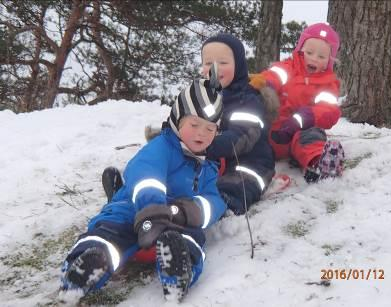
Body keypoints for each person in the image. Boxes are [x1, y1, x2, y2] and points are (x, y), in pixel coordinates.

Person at [60, 72, 226, 302]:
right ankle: (85, 268)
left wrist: (191, 212)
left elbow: (214, 199)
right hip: (134, 206)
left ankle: (178, 271)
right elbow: (145, 172)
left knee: (190, 238)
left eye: (210, 129)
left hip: (174, 219)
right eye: (194, 124)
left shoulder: (207, 168)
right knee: (110, 230)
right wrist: (153, 205)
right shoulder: (162, 147)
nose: (201, 133)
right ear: (178, 120)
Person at [250, 22, 345, 182]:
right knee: (250, 131)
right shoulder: (287, 67)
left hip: (298, 132)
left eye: (321, 56)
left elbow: (328, 111)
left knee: (311, 136)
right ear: (301, 49)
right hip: (271, 131)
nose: (314, 58)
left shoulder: (328, 83)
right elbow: (273, 76)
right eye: (309, 52)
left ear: (329, 60)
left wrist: (305, 117)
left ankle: (319, 163)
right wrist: (265, 84)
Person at [201, 33, 276, 216]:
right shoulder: (201, 97)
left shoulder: (248, 100)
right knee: (177, 170)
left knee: (237, 184)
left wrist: (205, 144)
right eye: (209, 63)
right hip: (211, 160)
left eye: (223, 63)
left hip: (249, 161)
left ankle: (221, 206)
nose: (215, 68)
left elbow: (242, 138)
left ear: (239, 65)